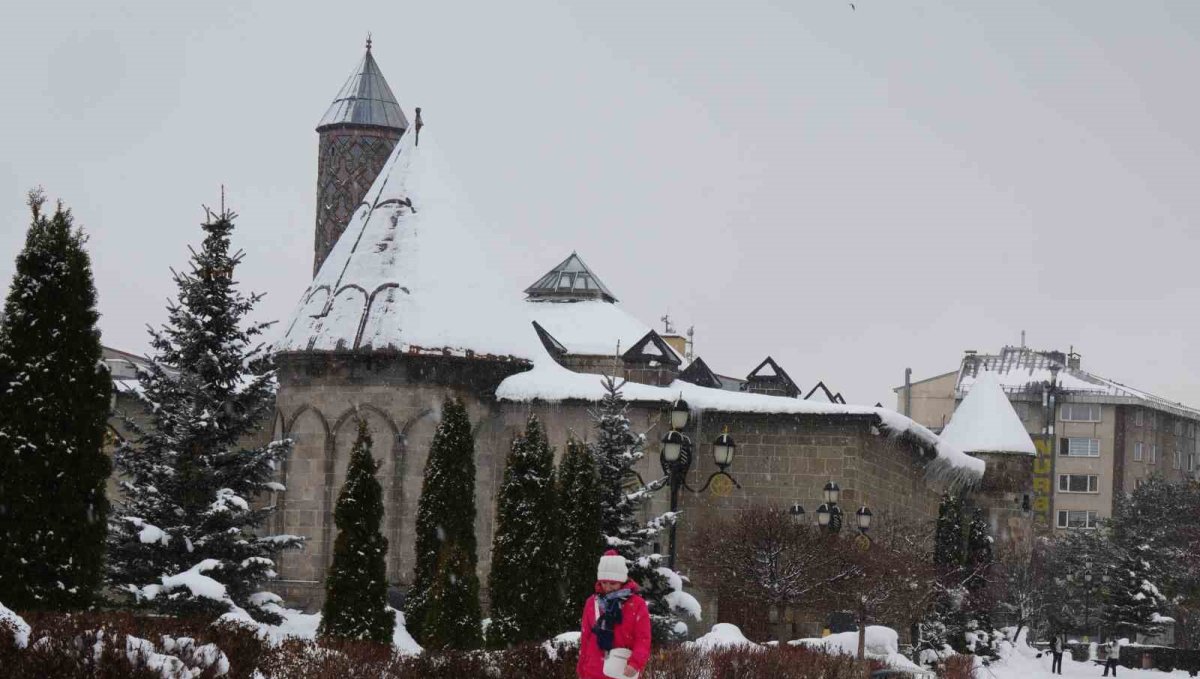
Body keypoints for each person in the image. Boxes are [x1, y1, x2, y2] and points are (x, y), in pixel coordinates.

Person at [577, 550, 652, 679]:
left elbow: (643, 638)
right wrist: (581, 668)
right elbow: (586, 638)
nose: (608, 587)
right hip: (593, 670)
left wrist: (635, 663)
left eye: (613, 583)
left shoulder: (637, 604)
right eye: (604, 582)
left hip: (621, 671)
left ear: (622, 581)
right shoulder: (592, 603)